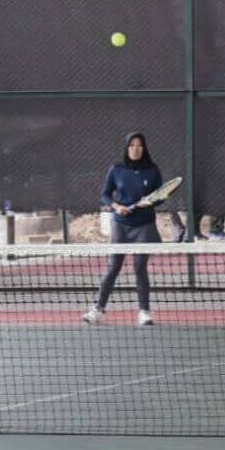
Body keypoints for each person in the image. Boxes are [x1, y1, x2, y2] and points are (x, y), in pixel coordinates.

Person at [83, 133, 166, 327]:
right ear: (126, 148)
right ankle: (98, 310)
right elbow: (105, 194)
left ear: (144, 148)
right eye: (132, 145)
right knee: (113, 268)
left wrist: (151, 201)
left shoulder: (153, 170)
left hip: (144, 225)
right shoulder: (116, 169)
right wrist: (116, 206)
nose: (135, 149)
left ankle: (144, 312)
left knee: (139, 267)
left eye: (139, 145)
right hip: (120, 224)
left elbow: (162, 195)